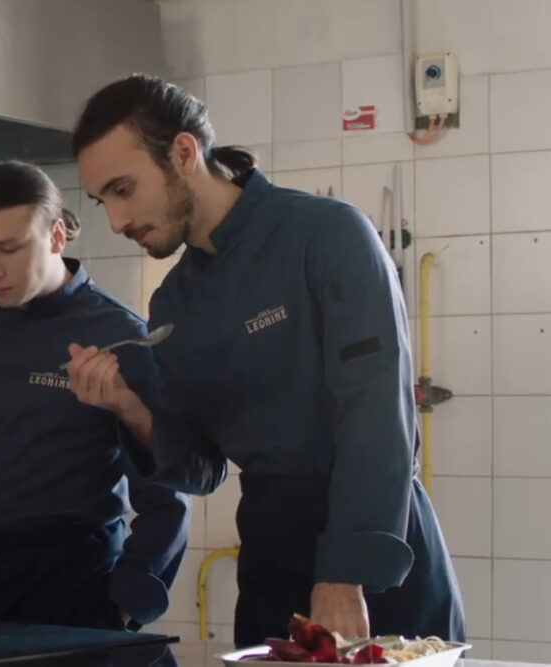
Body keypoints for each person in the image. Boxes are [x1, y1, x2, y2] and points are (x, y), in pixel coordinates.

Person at [63, 73, 466, 646]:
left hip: (374, 551)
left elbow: (378, 413)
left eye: (124, 190)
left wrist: (344, 573)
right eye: (104, 200)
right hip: (270, 555)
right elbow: (203, 470)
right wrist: (130, 408)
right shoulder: (173, 303)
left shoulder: (327, 235)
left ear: (183, 153)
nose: (117, 221)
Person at [0, 160, 190, 630]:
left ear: (56, 236)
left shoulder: (119, 335)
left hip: (76, 591)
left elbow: (167, 496)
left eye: (10, 249)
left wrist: (125, 605)